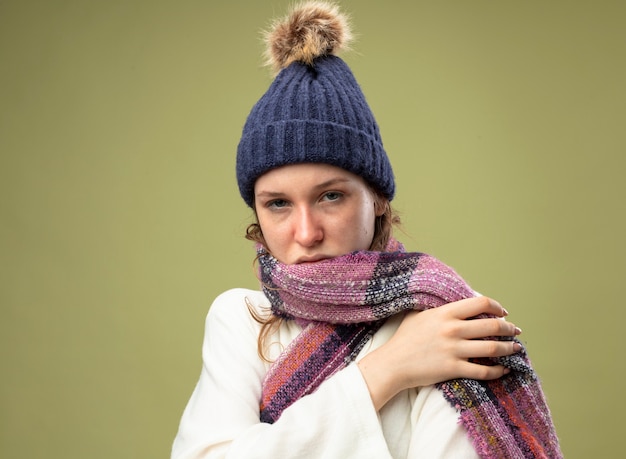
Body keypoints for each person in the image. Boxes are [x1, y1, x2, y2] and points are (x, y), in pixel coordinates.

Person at [171, 2, 561, 458]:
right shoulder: (238, 319)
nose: (306, 232)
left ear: (376, 198)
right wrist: (388, 369)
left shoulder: (443, 324)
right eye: (278, 204)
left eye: (330, 196)